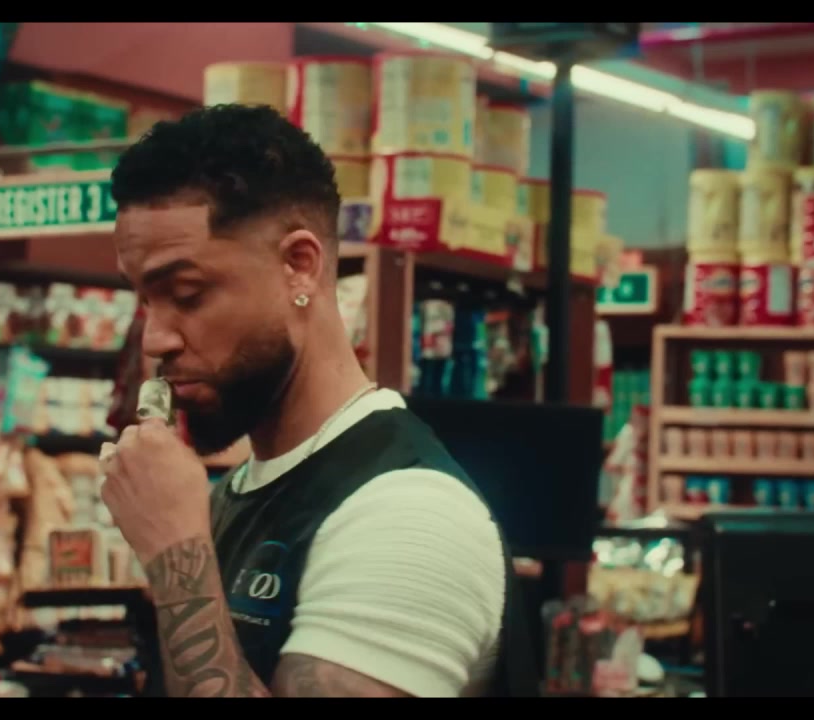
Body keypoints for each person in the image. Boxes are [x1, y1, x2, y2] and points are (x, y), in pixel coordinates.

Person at [97, 104, 536, 698]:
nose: (155, 339)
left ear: (298, 266)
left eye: (187, 293)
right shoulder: (238, 494)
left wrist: (176, 554)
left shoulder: (409, 515)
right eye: (146, 299)